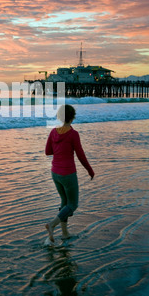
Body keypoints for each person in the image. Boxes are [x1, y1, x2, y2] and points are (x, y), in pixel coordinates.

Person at [45, 104, 94, 243]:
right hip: (68, 174)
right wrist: (90, 170)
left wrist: (59, 149)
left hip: (55, 173)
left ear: (60, 117)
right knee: (73, 205)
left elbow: (48, 152)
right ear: (72, 117)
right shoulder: (73, 134)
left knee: (65, 202)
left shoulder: (53, 132)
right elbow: (81, 155)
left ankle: (65, 233)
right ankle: (52, 225)